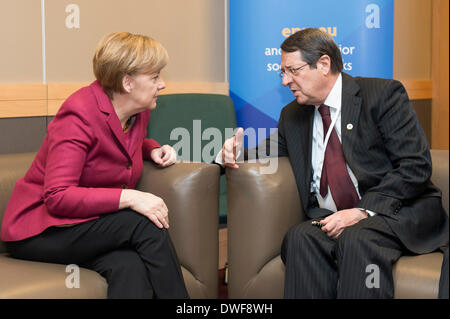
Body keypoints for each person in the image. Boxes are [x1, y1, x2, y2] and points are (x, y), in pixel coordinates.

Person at [220, 28, 448, 298]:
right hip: (334, 218)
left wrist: (363, 211)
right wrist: (226, 155)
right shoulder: (293, 115)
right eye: (282, 72)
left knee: (358, 237)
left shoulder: (381, 95)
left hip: (396, 212)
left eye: (293, 70)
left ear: (324, 64)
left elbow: (415, 166)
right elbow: (262, 153)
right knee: (300, 237)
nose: (285, 81)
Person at [0, 32, 189, 299]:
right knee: (145, 223)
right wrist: (132, 197)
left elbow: (122, 143)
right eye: (155, 77)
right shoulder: (79, 113)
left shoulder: (139, 111)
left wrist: (152, 148)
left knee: (129, 266)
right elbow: (57, 196)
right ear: (127, 83)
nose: (163, 84)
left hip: (85, 224)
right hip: (40, 231)